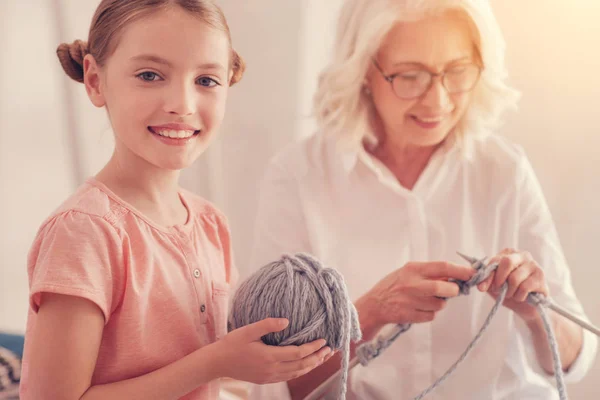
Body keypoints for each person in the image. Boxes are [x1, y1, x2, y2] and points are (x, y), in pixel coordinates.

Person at [249, 0, 598, 399]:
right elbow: (276, 382)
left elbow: (574, 362)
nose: (438, 101)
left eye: (457, 71)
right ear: (363, 70)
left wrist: (537, 313)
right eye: (410, 76)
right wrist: (371, 311)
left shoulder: (504, 171)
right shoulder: (299, 178)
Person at [20, 1, 332, 399]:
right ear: (95, 81)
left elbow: (227, 375)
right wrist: (215, 363)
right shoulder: (85, 232)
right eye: (150, 75)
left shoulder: (209, 223)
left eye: (206, 80)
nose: (182, 105)